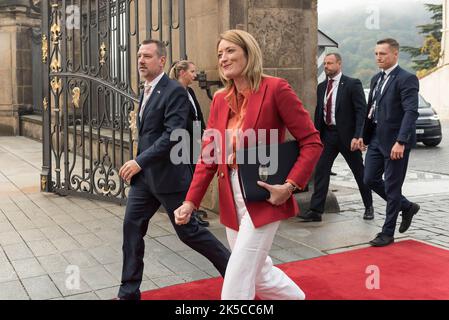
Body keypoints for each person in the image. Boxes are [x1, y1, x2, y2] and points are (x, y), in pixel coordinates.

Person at [174, 29, 323, 300]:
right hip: (231, 196)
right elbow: (209, 155)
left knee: (237, 277)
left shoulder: (276, 88)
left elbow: (312, 141)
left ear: (248, 52)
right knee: (259, 274)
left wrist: (289, 186)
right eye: (220, 54)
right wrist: (190, 201)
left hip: (264, 193)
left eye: (230, 50)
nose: (223, 58)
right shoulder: (220, 99)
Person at [116, 39, 230, 300]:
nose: (141, 61)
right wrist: (142, 165)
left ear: (162, 60)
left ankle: (234, 271)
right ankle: (128, 291)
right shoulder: (145, 89)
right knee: (132, 227)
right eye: (139, 56)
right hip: (145, 180)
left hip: (170, 178)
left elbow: (173, 135)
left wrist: (139, 161)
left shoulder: (174, 90)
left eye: (147, 56)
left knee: (190, 233)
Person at [298, 53, 374, 222]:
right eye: (325, 63)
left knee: (359, 173)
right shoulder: (321, 87)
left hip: (348, 138)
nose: (326, 66)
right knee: (321, 172)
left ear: (339, 64)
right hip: (328, 136)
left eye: (330, 63)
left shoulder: (352, 84)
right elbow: (320, 113)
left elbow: (361, 112)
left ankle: (369, 206)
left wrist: (358, 136)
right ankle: (316, 211)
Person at [361, 38, 420, 247]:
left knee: (393, 189)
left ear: (395, 54)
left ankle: (387, 233)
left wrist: (401, 141)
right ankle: (407, 206)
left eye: (383, 54)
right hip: (376, 138)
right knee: (369, 178)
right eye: (376, 53)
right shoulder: (376, 79)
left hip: (396, 143)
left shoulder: (407, 78)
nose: (378, 57)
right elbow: (371, 110)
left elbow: (411, 112)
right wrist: (363, 136)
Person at [169, 60, 210, 227]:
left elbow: (197, 115)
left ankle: (192, 209)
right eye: (192, 71)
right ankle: (189, 213)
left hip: (195, 140)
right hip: (182, 141)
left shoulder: (190, 91)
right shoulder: (172, 92)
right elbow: (179, 120)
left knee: (194, 176)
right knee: (187, 179)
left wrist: (205, 133)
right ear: (181, 73)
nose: (195, 75)